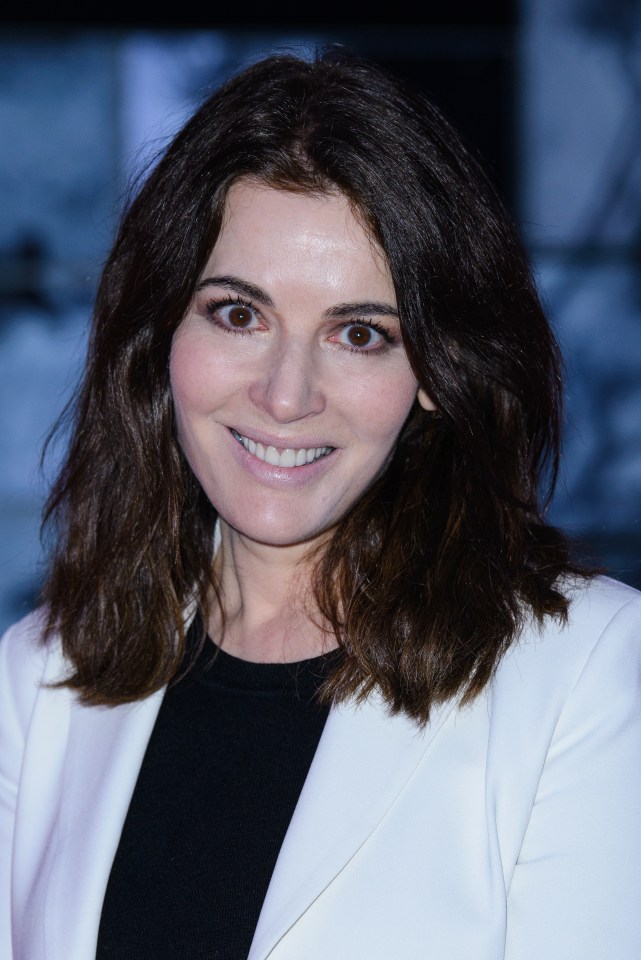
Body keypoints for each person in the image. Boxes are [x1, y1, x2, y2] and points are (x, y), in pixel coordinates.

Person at [1, 48, 640, 960]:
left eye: (357, 333)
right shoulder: (38, 682)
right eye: (238, 314)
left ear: (432, 371)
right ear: (162, 336)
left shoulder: (584, 673)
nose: (287, 393)